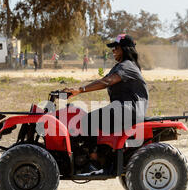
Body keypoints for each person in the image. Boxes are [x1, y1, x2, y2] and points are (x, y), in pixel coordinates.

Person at [63, 34, 149, 175]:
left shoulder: (127, 66)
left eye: (116, 47)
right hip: (123, 109)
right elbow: (103, 80)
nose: (113, 50)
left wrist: (79, 90)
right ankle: (92, 156)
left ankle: (93, 161)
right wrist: (74, 89)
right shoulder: (120, 66)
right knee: (87, 121)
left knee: (88, 120)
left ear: (125, 49)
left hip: (129, 110)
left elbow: (107, 82)